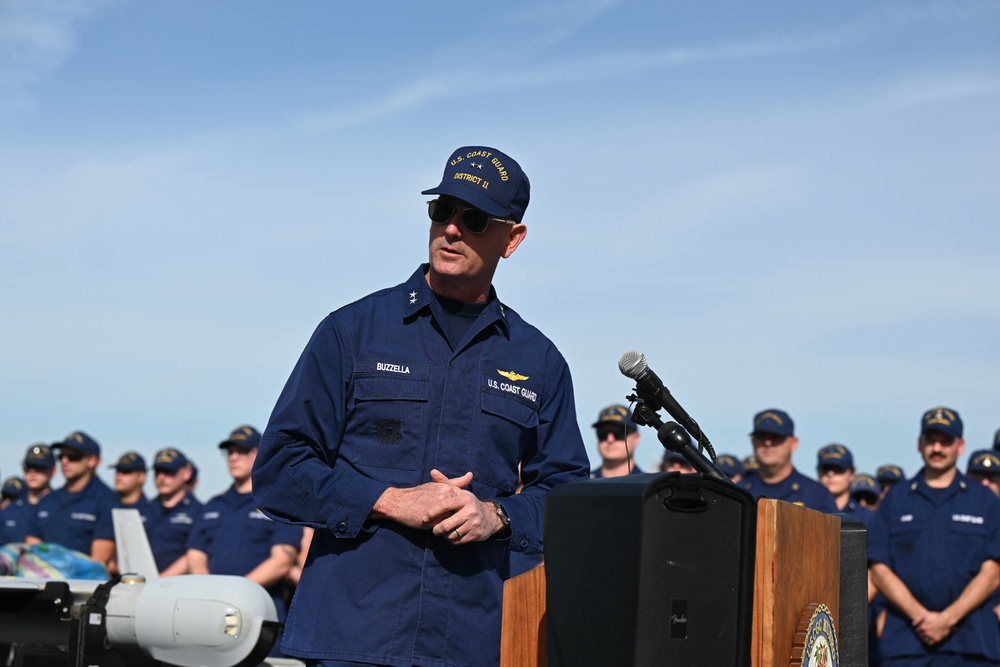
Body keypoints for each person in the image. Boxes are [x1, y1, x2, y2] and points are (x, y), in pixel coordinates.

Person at [251, 145, 591, 667]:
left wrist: (495, 514)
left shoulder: (540, 362)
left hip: (475, 643)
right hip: (354, 638)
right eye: (442, 211)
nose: (452, 229)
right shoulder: (352, 332)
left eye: (474, 219)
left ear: (512, 239)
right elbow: (280, 469)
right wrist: (388, 499)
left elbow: (567, 496)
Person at [868, 407, 1000, 665]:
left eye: (946, 441)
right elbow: (879, 567)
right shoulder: (895, 499)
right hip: (906, 645)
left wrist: (948, 619)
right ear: (920, 443)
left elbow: (993, 570)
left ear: (960, 446)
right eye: (931, 440)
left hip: (971, 645)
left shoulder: (984, 501)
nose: (937, 448)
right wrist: (922, 618)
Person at [187, 426, 301, 632]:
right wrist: (209, 593)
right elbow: (195, 554)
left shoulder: (275, 503)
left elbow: (282, 561)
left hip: (260, 617)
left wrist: (236, 593)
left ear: (258, 454)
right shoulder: (214, 504)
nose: (233, 458)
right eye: (230, 452)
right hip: (212, 615)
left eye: (241, 451)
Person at [27, 431, 118, 566]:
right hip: (43, 581)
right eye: (61, 456)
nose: (65, 461)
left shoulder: (107, 501)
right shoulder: (47, 501)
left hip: (83, 585)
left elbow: (98, 561)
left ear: (92, 460)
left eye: (73, 456)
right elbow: (32, 547)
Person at [740, 409, 837, 512]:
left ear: (793, 443)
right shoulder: (740, 493)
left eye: (776, 436)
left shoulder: (817, 495)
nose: (768, 443)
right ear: (753, 442)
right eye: (761, 436)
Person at [147, 448, 201, 576]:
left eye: (169, 471)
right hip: (141, 584)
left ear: (186, 473)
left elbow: (193, 555)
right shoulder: (144, 509)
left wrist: (158, 581)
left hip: (178, 587)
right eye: (158, 472)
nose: (161, 477)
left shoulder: (199, 511)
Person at [1, 445, 57, 543]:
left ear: (53, 471)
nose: (32, 472)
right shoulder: (10, 511)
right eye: (28, 467)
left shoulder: (62, 507)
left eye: (39, 467)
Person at [816, 443, 874, 528]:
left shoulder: (867, 517)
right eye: (825, 469)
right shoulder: (808, 510)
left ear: (852, 474)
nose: (830, 474)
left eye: (838, 469)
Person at [590, 404, 643, 478]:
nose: (610, 439)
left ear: (636, 438)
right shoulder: (583, 485)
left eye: (619, 433)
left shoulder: (648, 486)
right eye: (603, 433)